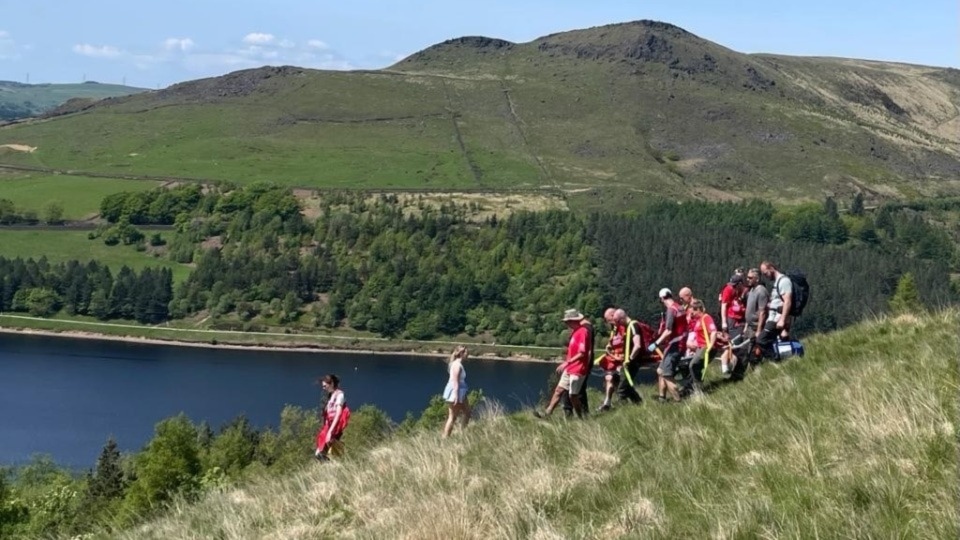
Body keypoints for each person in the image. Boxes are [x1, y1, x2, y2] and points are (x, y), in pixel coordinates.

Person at [535, 309, 593, 419]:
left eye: (567, 321)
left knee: (573, 396)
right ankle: (547, 413)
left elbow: (582, 353)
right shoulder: (575, 332)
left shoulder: (583, 332)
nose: (566, 324)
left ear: (573, 320)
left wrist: (567, 362)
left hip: (578, 369)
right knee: (558, 390)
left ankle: (581, 418)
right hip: (570, 367)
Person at [652, 288, 687, 403]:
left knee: (666, 374)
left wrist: (656, 343)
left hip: (675, 345)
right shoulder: (680, 307)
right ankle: (662, 398)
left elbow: (668, 331)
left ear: (662, 299)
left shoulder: (671, 311)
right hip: (681, 343)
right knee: (660, 370)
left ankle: (678, 401)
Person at [758, 261, 793, 358]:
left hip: (777, 319)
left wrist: (782, 320)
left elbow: (787, 301)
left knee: (761, 340)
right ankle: (783, 358)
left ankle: (775, 360)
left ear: (771, 268)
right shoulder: (777, 282)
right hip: (773, 317)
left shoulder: (784, 281)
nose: (766, 276)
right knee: (773, 340)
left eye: (766, 273)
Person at [684, 299, 717, 395]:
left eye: (694, 310)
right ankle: (695, 388)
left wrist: (710, 345)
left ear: (699, 309)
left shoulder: (706, 318)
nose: (692, 313)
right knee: (695, 367)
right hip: (700, 347)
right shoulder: (699, 320)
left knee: (693, 365)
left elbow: (713, 331)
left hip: (706, 347)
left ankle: (698, 390)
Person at [740, 268, 769, 372]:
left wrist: (759, 330)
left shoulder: (761, 291)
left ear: (757, 279)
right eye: (747, 277)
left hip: (756, 327)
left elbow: (762, 312)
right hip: (749, 327)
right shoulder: (751, 290)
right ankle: (741, 373)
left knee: (753, 352)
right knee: (744, 350)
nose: (747, 279)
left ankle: (754, 372)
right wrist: (746, 326)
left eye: (750, 278)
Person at [596, 308, 625, 411]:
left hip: (621, 359)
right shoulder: (615, 328)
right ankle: (607, 402)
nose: (608, 322)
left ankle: (629, 400)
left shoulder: (623, 327)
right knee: (609, 378)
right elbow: (613, 341)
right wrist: (609, 345)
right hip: (614, 358)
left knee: (621, 381)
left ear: (613, 315)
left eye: (608, 320)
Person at [315, 374, 349, 461]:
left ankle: (336, 463)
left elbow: (338, 414)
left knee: (323, 452)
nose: (323, 388)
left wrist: (330, 431)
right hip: (329, 425)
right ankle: (332, 464)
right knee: (318, 453)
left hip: (335, 425)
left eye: (325, 385)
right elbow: (327, 416)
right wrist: (326, 428)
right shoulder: (330, 397)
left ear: (332, 384)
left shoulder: (339, 395)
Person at [718, 273, 746, 374]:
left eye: (734, 285)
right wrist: (724, 322)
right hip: (732, 320)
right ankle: (734, 369)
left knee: (741, 343)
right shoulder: (728, 289)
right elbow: (724, 305)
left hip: (742, 319)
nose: (732, 286)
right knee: (735, 344)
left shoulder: (744, 290)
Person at [442, 345, 471, 438]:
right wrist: (456, 396)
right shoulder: (457, 365)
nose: (468, 355)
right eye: (466, 353)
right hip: (457, 391)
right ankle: (445, 438)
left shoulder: (457, 364)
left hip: (461, 391)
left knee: (467, 412)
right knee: (453, 417)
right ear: (461, 353)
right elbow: (455, 381)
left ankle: (462, 433)